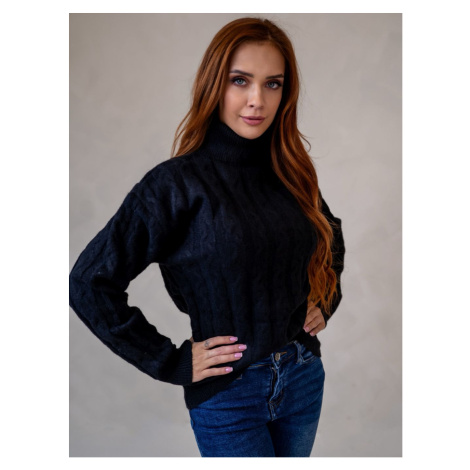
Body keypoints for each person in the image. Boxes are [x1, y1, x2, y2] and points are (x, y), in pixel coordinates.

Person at [69, 17, 345, 457]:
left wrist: (324, 301)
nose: (257, 100)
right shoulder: (174, 185)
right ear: (214, 83)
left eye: (273, 84)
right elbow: (88, 282)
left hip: (302, 377)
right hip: (229, 394)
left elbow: (329, 236)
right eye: (240, 80)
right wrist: (170, 361)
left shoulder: (290, 172)